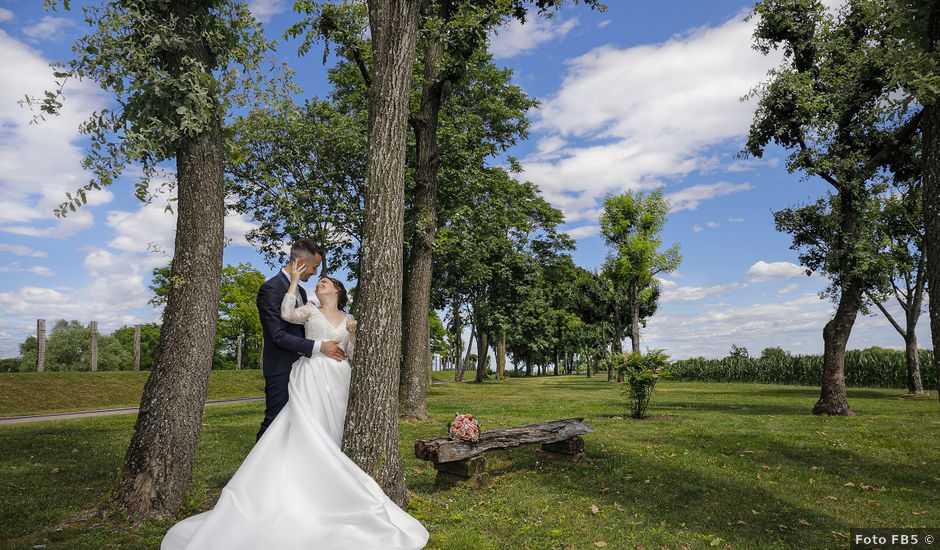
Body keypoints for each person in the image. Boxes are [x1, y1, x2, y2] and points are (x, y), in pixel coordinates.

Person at [161, 259, 429, 550]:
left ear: (338, 289)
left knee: (331, 430)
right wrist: (292, 282)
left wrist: (352, 334)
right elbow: (286, 314)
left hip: (339, 379)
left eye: (325, 281)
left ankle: (327, 483)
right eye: (318, 281)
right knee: (306, 428)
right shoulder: (309, 310)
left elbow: (350, 353)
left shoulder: (349, 315)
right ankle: (300, 488)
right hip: (311, 373)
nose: (319, 283)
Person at [254, 239, 346, 441]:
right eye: (314, 267)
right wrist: (320, 347)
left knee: (300, 425)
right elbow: (277, 335)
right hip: (281, 368)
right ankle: (259, 469)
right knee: (275, 422)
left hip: (306, 371)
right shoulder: (271, 288)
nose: (314, 273)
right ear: (302, 262)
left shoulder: (302, 292)